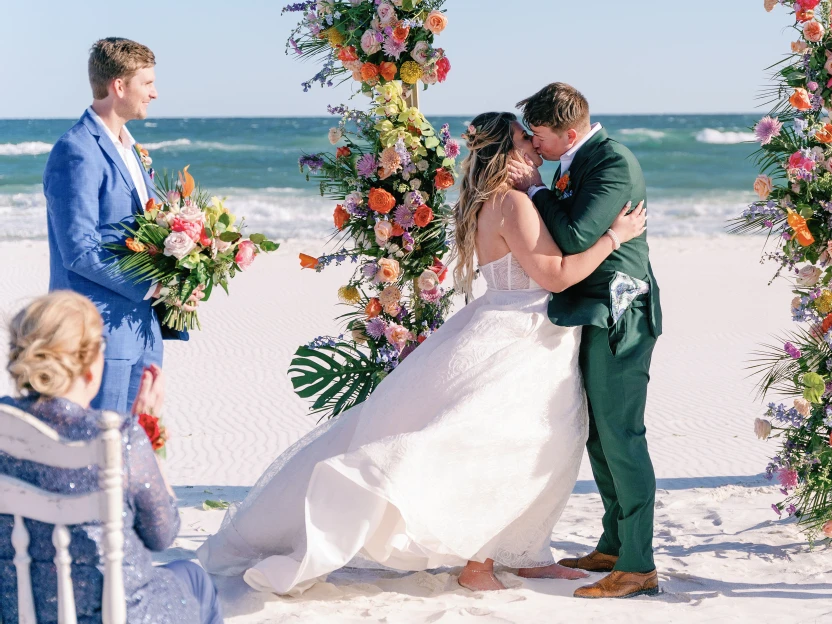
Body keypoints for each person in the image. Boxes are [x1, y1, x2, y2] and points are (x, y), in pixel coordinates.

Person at [197, 112, 647, 594]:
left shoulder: (485, 202)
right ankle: (480, 564)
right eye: (523, 138)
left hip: (515, 325)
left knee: (544, 443)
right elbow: (556, 276)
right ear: (506, 151)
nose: (534, 144)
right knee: (507, 446)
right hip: (523, 334)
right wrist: (616, 237)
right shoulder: (513, 203)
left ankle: (528, 552)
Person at [508, 82, 663, 600]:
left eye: (540, 133)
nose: (534, 142)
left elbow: (574, 236)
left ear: (568, 132)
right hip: (593, 312)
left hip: (623, 315)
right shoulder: (575, 160)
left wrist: (536, 191)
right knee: (598, 435)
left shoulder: (612, 163)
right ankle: (615, 544)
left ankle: (639, 565)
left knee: (622, 435)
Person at [0, 291, 223, 624]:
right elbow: (163, 535)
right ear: (90, 364)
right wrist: (150, 437)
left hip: (19, 608)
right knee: (194, 579)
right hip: (114, 612)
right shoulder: (118, 436)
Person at [42, 37, 183, 415]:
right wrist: (153, 285)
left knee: (141, 448)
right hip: (99, 333)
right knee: (97, 456)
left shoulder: (134, 151)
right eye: (147, 83)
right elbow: (80, 251)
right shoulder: (76, 151)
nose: (155, 93)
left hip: (143, 332)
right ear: (118, 86)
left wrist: (177, 284)